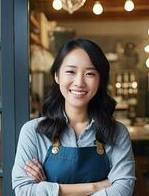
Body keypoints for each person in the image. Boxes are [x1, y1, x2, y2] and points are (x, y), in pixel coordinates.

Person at [12, 39, 136, 195]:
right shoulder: (33, 132)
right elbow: (24, 191)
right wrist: (96, 186)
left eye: (90, 73)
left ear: (100, 81)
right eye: (70, 71)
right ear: (57, 76)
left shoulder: (117, 132)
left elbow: (123, 190)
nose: (79, 82)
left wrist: (47, 188)